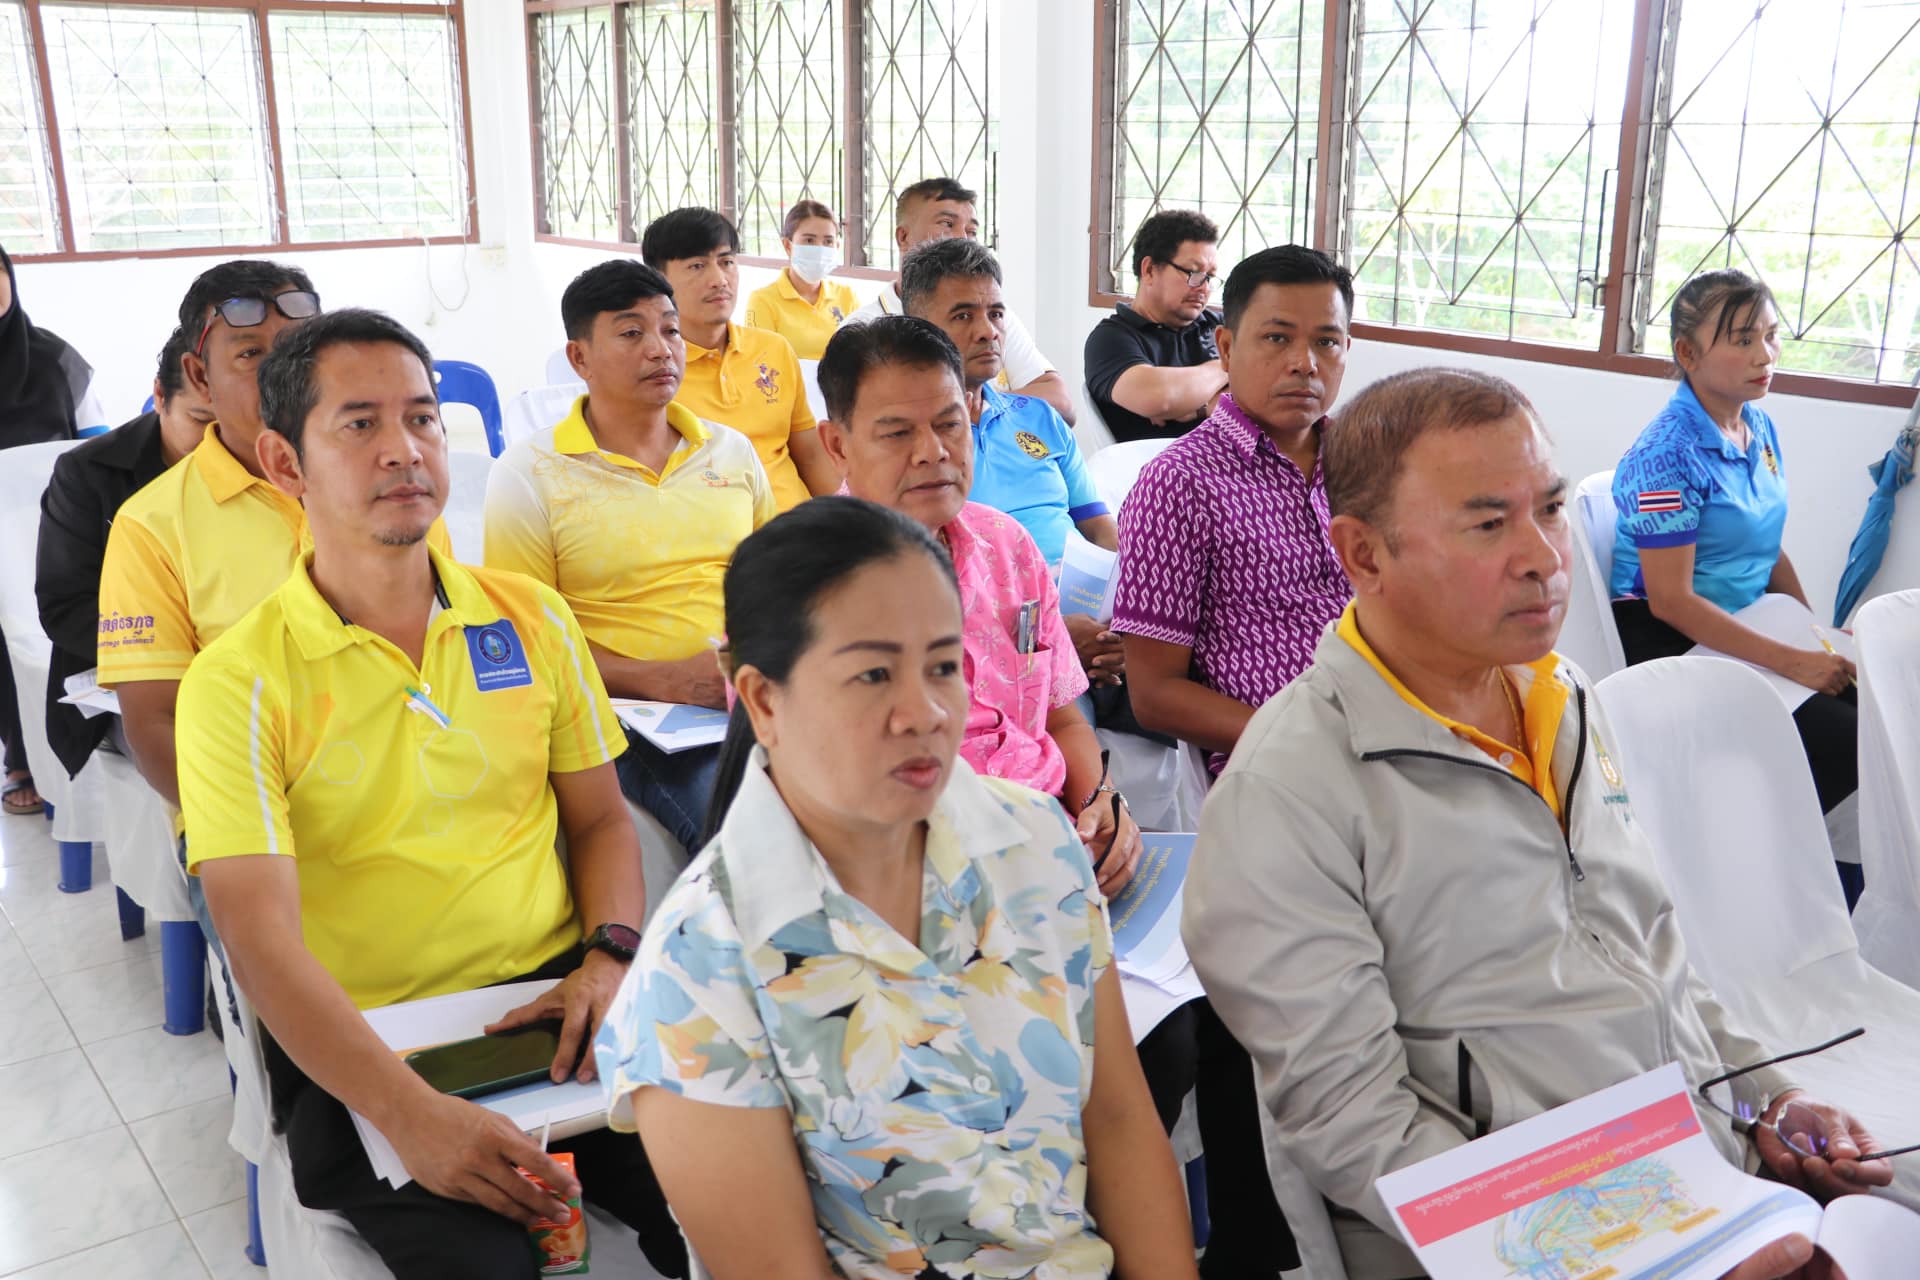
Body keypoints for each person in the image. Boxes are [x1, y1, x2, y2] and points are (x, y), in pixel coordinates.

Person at [1185, 365, 1891, 1280]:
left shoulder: (1563, 698)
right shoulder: (1291, 792)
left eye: (1550, 508)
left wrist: (1766, 1099)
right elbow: (1354, 1124)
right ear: (1362, 555)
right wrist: (1645, 1240)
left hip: (1699, 1178)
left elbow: (1652, 951)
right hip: (1530, 1242)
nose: (1547, 556)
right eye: (1488, 523)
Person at [177, 308, 685, 1280]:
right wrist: (407, 1114)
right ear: (286, 462)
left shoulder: (528, 616)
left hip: (553, 1002)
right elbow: (259, 937)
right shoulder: (237, 680)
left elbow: (599, 819)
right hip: (367, 1040)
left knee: (736, 1192)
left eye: (422, 417)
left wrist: (607, 958)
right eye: (359, 423)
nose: (404, 448)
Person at [593, 495, 1199, 1280]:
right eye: (873, 674)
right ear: (763, 698)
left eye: (944, 666)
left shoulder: (1035, 843)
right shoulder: (698, 972)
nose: (925, 712)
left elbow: (1118, 1124)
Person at [815, 316, 1140, 888]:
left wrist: (1103, 807)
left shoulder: (1007, 546)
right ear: (837, 445)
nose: (933, 453)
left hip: (1051, 847)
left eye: (951, 424)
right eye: (897, 433)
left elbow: (1061, 718)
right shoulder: (800, 584)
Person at [485, 260, 776, 852]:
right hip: (631, 715)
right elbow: (523, 640)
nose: (660, 350)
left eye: (670, 330)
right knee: (744, 834)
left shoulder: (730, 452)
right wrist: (662, 680)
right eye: (630, 332)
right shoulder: (530, 473)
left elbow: (777, 581)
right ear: (580, 359)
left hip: (747, 689)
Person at [1608, 269, 1860, 902]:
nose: (1765, 356)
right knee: (1849, 745)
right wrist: (1793, 663)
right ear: (1687, 355)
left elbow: (1767, 544)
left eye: (1771, 337)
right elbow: (1670, 601)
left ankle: (1809, 883)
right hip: (1670, 639)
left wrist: (1818, 636)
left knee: (1873, 708)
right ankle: (1733, 881)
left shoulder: (1757, 428)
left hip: (1749, 621)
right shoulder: (1666, 454)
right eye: (1743, 340)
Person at [1111, 244, 1354, 774]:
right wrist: (1305, 742)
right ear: (1225, 348)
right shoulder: (1178, 486)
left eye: (1326, 342)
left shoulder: (1369, 468)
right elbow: (1155, 694)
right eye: (1276, 338)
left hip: (1395, 738)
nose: (1304, 363)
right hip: (1283, 772)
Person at [37, 324, 212, 782]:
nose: (218, 444)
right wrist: (179, 650)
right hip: (129, 678)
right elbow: (66, 608)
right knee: (210, 750)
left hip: (250, 668)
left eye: (232, 425)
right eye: (201, 422)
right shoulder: (89, 473)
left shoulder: (267, 464)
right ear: (159, 396)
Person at [898, 237, 1114, 567]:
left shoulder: (1041, 417)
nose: (988, 332)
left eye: (996, 314)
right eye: (963, 316)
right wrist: (1051, 620)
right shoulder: (912, 445)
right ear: (918, 330)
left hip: (1083, 597)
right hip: (992, 609)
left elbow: (1099, 528)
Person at [639, 207, 836, 509]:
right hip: (719, 540)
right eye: (696, 266)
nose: (719, 280)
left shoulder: (775, 350)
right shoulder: (653, 370)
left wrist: (852, 520)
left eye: (727, 262)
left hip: (803, 529)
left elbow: (809, 454)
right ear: (658, 281)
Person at [1, 244, 103, 815]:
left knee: (38, 628)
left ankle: (37, 754)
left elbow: (96, 438)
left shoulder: (55, 359)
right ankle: (18, 755)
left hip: (46, 531)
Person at [843, 176, 1075, 425]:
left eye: (971, 231)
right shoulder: (865, 328)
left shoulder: (992, 317)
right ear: (903, 237)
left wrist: (985, 404)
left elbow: (1060, 402)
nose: (962, 239)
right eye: (947, 224)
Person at [1083, 208, 1227, 442]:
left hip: (1231, 469)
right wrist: (1227, 366)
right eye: (1193, 272)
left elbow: (1267, 391)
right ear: (1149, 270)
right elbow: (1159, 397)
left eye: (1210, 277)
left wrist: (1200, 407)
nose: (1204, 287)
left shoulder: (1220, 326)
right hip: (1152, 472)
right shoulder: (1111, 339)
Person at [743, 199, 858, 360]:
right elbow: (760, 362)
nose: (819, 249)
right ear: (788, 246)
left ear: (837, 247)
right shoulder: (763, 301)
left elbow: (859, 355)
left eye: (828, 241)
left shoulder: (847, 297)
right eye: (809, 240)